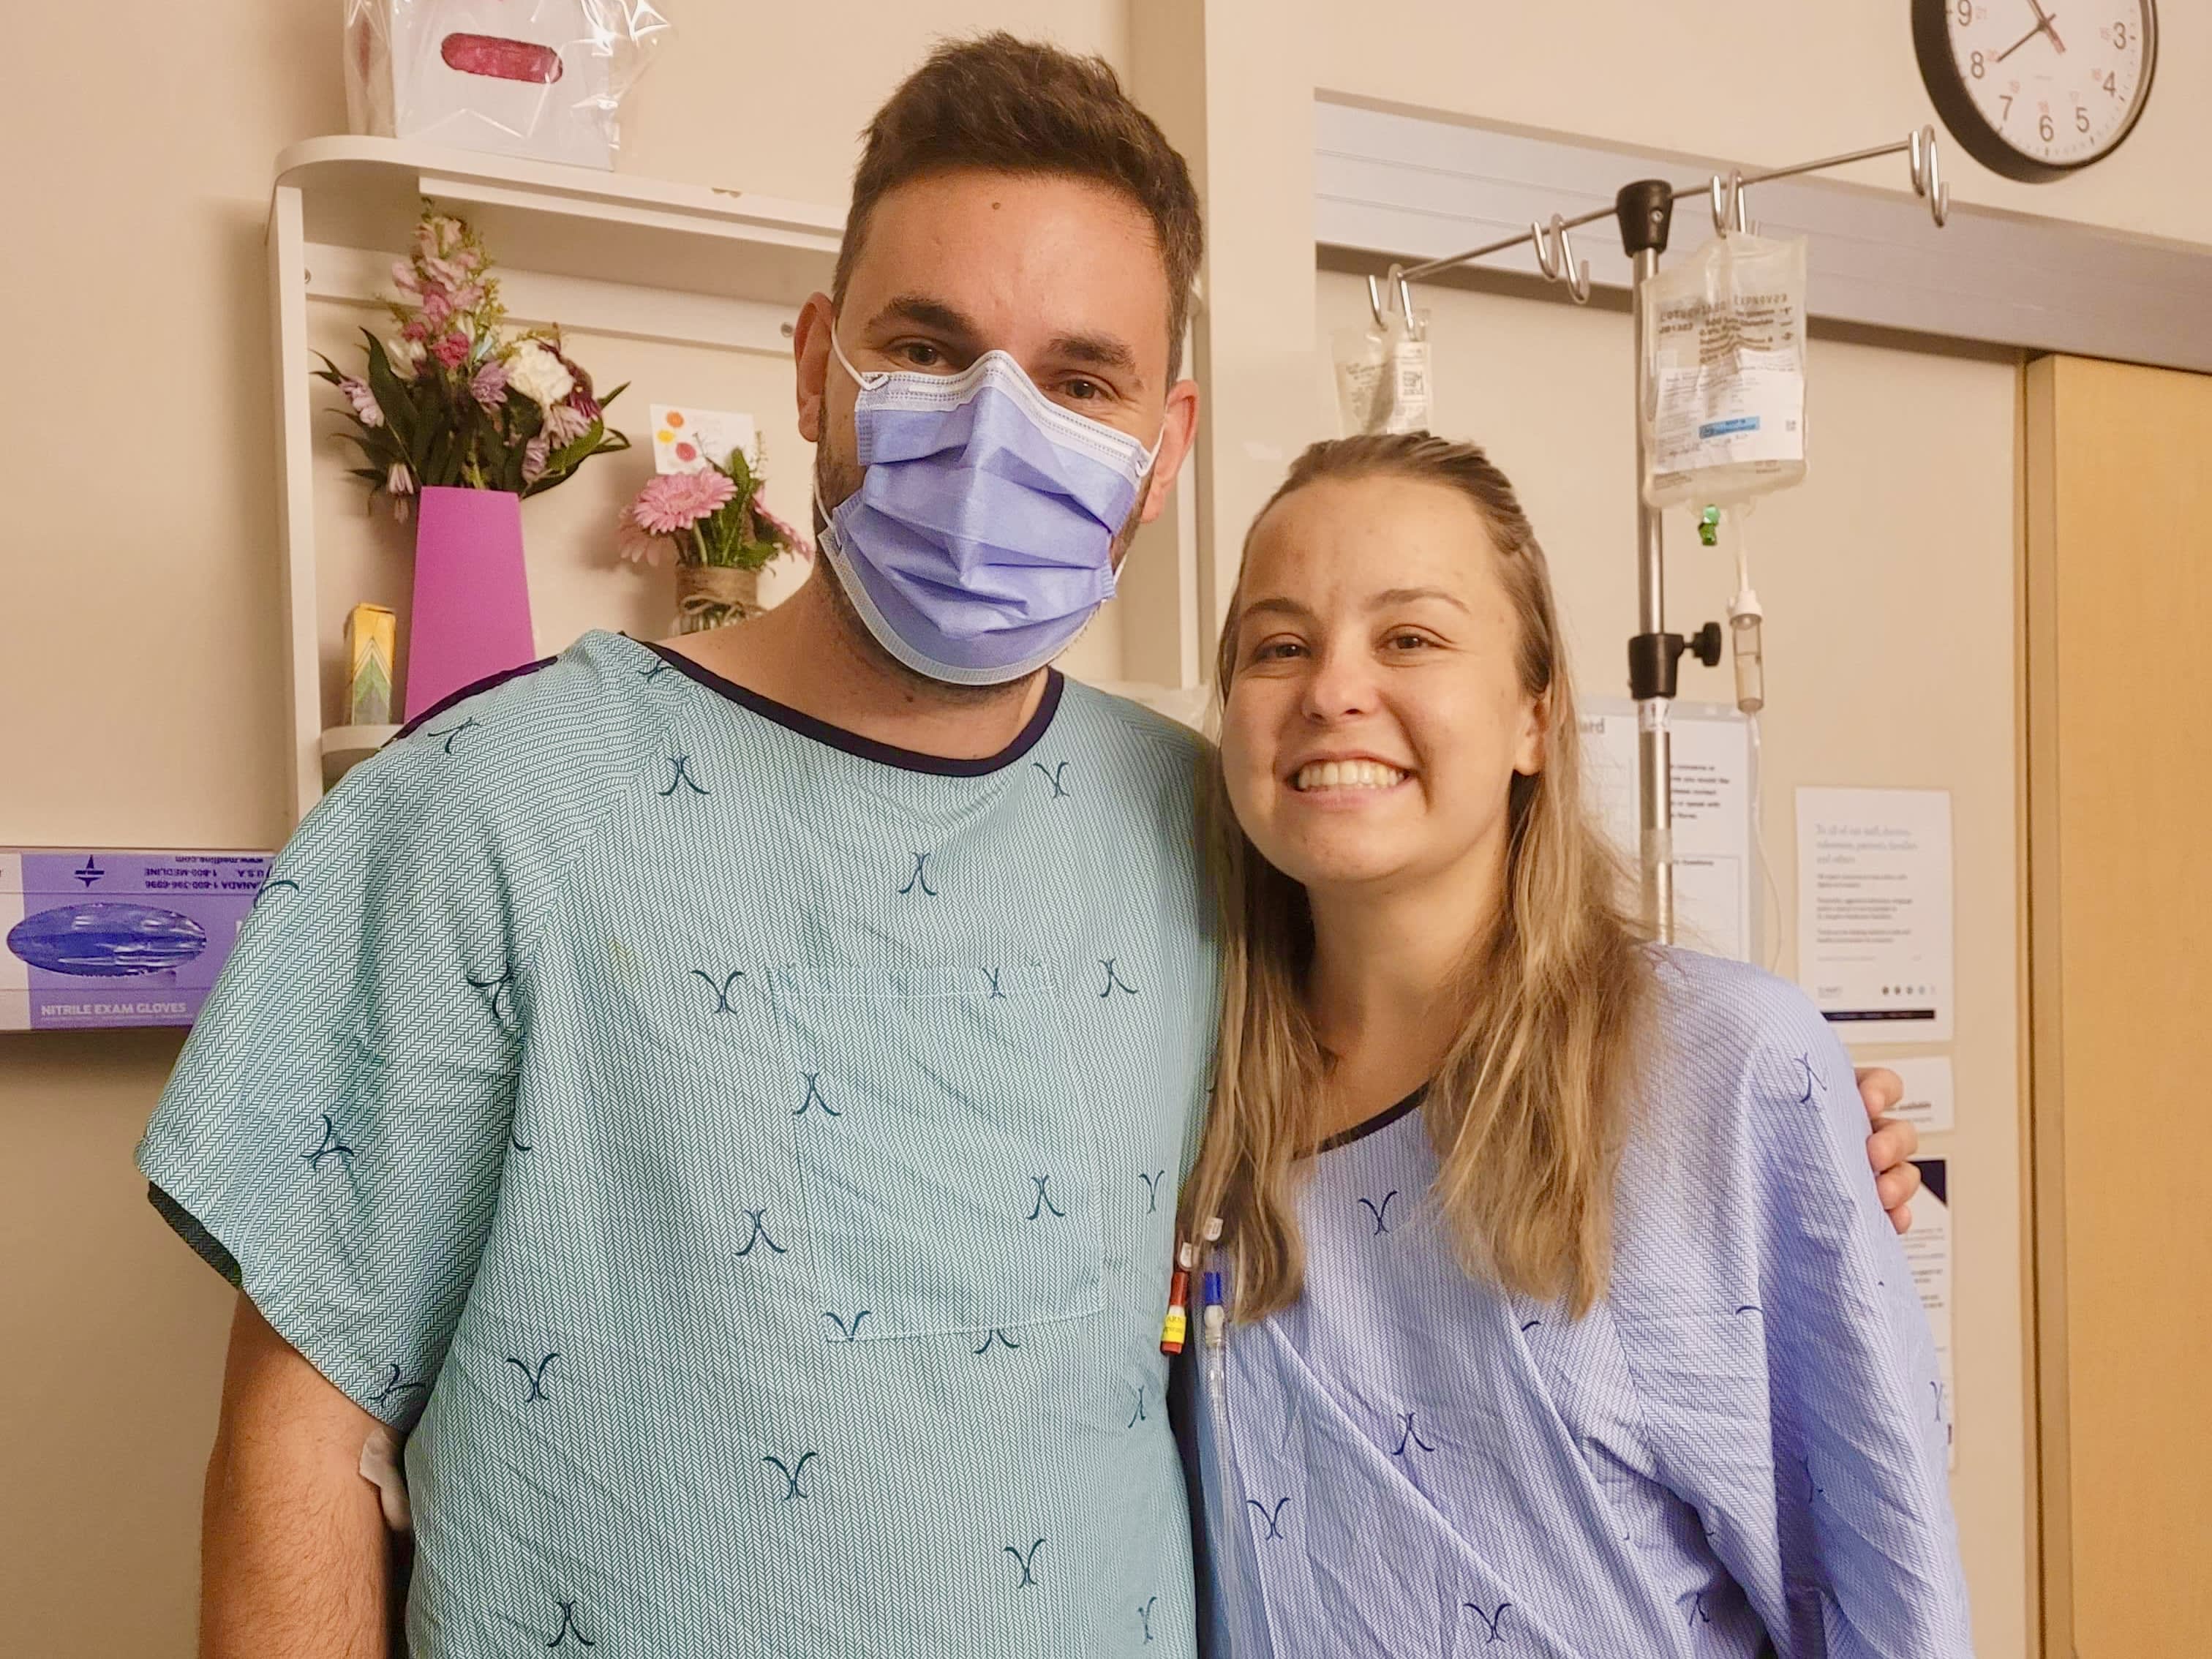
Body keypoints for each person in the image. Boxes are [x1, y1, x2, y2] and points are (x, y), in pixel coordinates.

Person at [134, 37, 1920, 1658]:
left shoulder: (1199, 824)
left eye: (1083, 379)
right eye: (929, 351)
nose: (1003, 429)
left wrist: (1775, 1147)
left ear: (1163, 450)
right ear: (820, 368)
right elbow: (302, 1438)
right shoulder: (492, 811)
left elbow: (1450, 1062)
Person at [1179, 432, 1971, 1657]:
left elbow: (1887, 1600)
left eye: (1411, 638)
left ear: (1535, 719)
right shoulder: (1191, 1095)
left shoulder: (1720, 1078)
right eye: (1278, 646)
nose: (1332, 688)